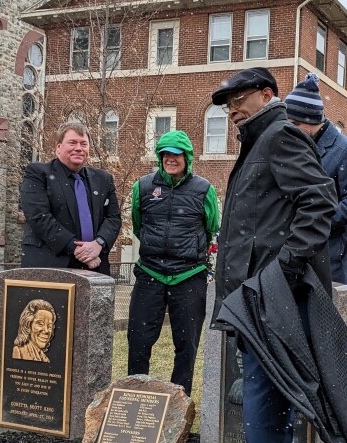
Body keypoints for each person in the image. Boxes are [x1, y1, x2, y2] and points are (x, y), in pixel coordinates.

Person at [206, 67, 337, 443]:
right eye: (228, 103)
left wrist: (281, 271)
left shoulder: (280, 135)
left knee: (262, 398)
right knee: (266, 400)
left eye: (240, 98)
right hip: (250, 298)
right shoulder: (256, 141)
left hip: (267, 298)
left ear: (268, 94)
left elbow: (320, 201)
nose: (233, 108)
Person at [127, 130, 219, 396]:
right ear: (160, 157)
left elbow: (211, 226)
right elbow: (138, 224)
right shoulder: (143, 187)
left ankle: (181, 403)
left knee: (186, 344)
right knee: (139, 340)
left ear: (187, 158)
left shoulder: (204, 189)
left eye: (176, 154)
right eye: (166, 154)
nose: (171, 159)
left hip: (188, 276)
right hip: (149, 274)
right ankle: (135, 399)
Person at [284, 73, 347, 287]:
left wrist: (315, 221)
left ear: (313, 119)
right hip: (293, 255)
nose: (290, 130)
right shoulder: (295, 148)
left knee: (326, 318)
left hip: (331, 259)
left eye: (296, 124)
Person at [19, 121, 121, 275]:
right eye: (72, 143)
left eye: (83, 144)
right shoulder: (38, 174)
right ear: (58, 147)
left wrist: (99, 243)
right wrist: (78, 249)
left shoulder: (103, 179)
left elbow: (113, 218)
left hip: (94, 266)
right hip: (50, 266)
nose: (78, 148)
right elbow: (39, 217)